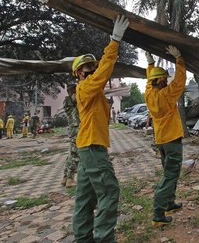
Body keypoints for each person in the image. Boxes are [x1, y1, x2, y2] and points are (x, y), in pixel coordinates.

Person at [72, 15, 129, 242]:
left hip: (88, 147)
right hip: (92, 147)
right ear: (77, 74)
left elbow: (101, 74)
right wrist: (114, 41)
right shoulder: (86, 88)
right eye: (86, 69)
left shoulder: (93, 92)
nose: (90, 71)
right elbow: (104, 70)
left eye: (91, 68)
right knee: (110, 191)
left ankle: (83, 238)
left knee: (85, 197)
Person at [144, 45, 186, 226]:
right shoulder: (167, 95)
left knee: (170, 173)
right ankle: (158, 213)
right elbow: (180, 80)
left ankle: (169, 204)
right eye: (165, 79)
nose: (167, 81)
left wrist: (150, 63)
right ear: (160, 81)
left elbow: (149, 79)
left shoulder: (148, 94)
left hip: (161, 140)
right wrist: (179, 59)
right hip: (172, 140)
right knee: (170, 175)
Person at [61, 82, 80, 188]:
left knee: (71, 154)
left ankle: (65, 177)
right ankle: (70, 179)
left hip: (73, 129)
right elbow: (76, 98)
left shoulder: (68, 101)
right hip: (76, 129)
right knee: (75, 155)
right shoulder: (70, 101)